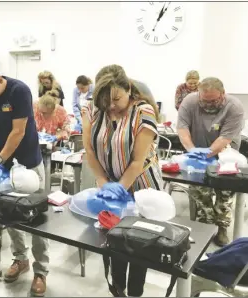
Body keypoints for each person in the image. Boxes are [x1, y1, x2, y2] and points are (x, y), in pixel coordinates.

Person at [82, 65, 163, 297]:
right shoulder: (91, 108)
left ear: (128, 89)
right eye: (105, 101)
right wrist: (102, 181)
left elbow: (137, 161)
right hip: (108, 181)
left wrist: (120, 188)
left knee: (138, 244)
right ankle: (117, 288)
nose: (111, 106)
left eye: (116, 99)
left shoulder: (143, 111)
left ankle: (135, 291)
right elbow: (89, 149)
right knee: (114, 241)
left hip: (141, 185)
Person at [0, 65, 48, 297]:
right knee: (9, 215)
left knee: (37, 219)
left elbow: (18, 132)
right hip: (4, 164)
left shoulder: (19, 91)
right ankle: (20, 259)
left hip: (29, 163)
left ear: (0, 80)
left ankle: (41, 270)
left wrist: (0, 158)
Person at [177, 77, 244, 246]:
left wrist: (205, 154)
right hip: (198, 153)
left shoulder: (234, 107)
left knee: (225, 194)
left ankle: (221, 228)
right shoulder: (189, 101)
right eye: (204, 101)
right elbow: (182, 129)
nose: (208, 105)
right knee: (200, 193)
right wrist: (193, 152)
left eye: (213, 101)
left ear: (223, 94)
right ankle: (205, 227)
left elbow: (224, 139)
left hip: (226, 155)